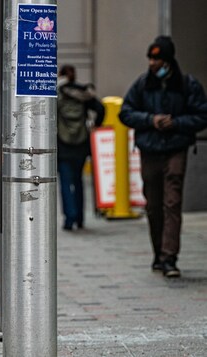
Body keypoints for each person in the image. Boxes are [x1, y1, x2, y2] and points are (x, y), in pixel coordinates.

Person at [119, 36, 207, 278]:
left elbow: (202, 115)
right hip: (149, 150)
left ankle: (169, 257)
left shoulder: (188, 84)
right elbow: (125, 112)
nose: (152, 63)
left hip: (176, 148)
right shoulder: (142, 84)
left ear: (168, 61)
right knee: (154, 205)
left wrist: (177, 123)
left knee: (172, 202)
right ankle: (158, 253)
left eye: (157, 59)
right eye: (150, 58)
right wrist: (150, 120)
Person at [56, 64, 105, 231]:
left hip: (62, 144)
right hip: (81, 143)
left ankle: (69, 218)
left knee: (65, 182)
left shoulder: (57, 94)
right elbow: (101, 108)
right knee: (78, 180)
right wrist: (95, 126)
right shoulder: (84, 94)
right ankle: (80, 218)